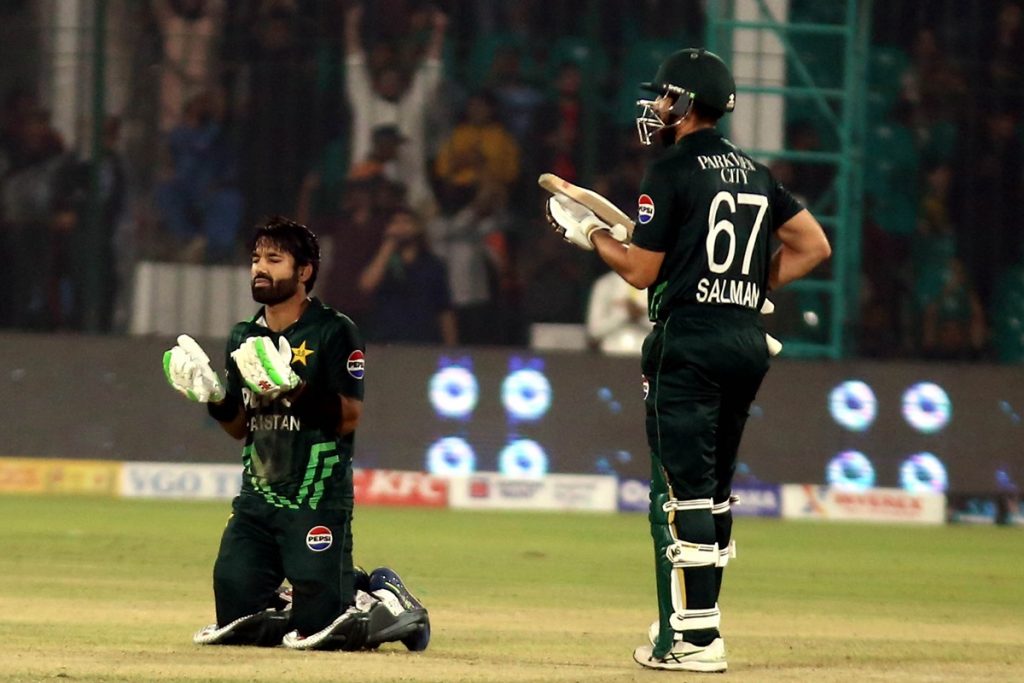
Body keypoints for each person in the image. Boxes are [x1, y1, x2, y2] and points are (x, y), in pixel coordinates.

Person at [544, 49, 830, 672]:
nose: (655, 108)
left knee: (684, 496)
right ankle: (688, 621)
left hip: (690, 341)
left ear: (687, 101)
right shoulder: (756, 172)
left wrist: (586, 232)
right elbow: (814, 245)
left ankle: (698, 640)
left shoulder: (670, 170)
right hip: (745, 340)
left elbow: (642, 271)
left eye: (664, 97)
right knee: (716, 493)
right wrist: (750, 287)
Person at [162, 216, 430, 651]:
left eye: (273, 259)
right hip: (256, 503)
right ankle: (317, 597)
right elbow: (239, 428)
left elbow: (348, 417)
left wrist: (292, 388)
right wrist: (211, 395)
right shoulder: (243, 336)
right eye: (255, 259)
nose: (259, 269)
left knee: (321, 632)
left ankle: (388, 599)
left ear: (304, 272)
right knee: (236, 620)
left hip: (316, 499)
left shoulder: (334, 330)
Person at [358, 207, 457, 346]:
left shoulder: (432, 264)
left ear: (418, 228)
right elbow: (367, 285)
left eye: (406, 222)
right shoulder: (381, 260)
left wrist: (451, 346)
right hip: (387, 341)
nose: (401, 227)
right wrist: (388, 245)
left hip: (424, 341)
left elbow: (444, 309)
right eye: (395, 222)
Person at [585, 270, 653, 355]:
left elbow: (669, 331)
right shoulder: (605, 284)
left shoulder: (659, 285)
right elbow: (593, 331)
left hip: (649, 358)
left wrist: (642, 317)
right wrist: (624, 314)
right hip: (610, 356)